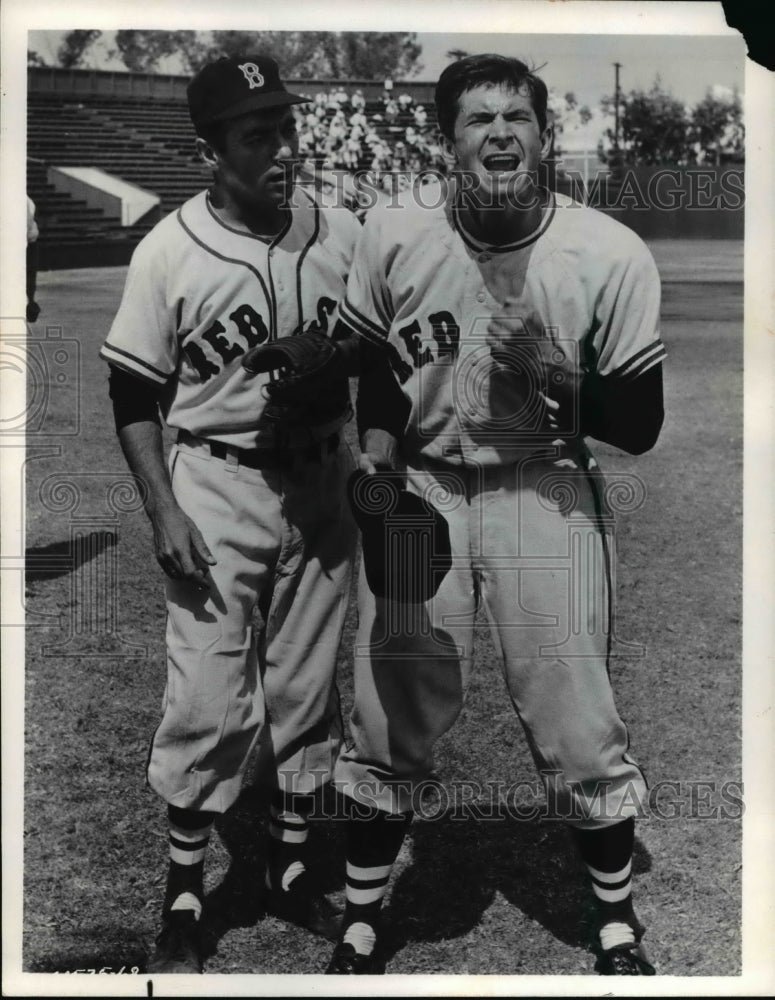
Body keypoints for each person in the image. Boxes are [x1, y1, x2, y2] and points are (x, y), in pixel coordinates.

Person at [325, 54, 665, 976]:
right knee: (389, 699)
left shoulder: (606, 251)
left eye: (517, 116)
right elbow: (377, 371)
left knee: (574, 710)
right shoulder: (393, 231)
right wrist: (380, 468)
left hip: (540, 481)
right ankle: (362, 922)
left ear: (544, 136)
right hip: (426, 479)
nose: (500, 133)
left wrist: (554, 371)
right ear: (447, 142)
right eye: (478, 119)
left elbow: (639, 423)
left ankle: (615, 925)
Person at [100, 54, 363, 974]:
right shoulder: (169, 250)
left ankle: (291, 872)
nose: (282, 150)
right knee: (209, 700)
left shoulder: (338, 231)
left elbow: (372, 351)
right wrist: (163, 511)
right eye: (257, 136)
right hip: (214, 486)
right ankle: (182, 889)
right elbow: (133, 392)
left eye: (285, 129)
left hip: (320, 485)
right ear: (208, 150)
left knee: (305, 692)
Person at [26, 195, 41, 323]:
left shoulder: (25, 200)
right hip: (27, 242)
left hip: (28, 242)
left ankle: (29, 304)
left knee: (29, 278)